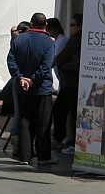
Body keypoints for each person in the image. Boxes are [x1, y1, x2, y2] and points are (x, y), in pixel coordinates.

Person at [6, 12, 55, 165]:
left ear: (32, 24)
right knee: (43, 123)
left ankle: (24, 156)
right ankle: (43, 157)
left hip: (23, 89)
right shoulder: (48, 42)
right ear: (45, 25)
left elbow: (10, 60)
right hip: (42, 89)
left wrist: (20, 78)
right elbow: (47, 65)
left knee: (24, 123)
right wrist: (33, 80)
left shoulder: (18, 39)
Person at [52, 13, 82, 153]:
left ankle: (61, 137)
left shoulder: (76, 38)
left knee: (61, 110)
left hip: (71, 82)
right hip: (74, 81)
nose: (70, 28)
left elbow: (63, 56)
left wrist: (59, 64)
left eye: (73, 25)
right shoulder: (77, 38)